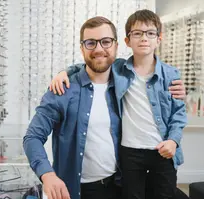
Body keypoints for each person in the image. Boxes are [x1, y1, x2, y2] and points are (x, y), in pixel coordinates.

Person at [49, 10, 187, 199]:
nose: (144, 38)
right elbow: (91, 64)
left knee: (164, 194)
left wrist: (173, 140)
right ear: (127, 41)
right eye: (137, 33)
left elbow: (179, 114)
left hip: (163, 149)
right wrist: (63, 72)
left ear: (159, 39)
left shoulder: (171, 75)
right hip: (129, 152)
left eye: (150, 33)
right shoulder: (119, 69)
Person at [23, 16, 122, 199]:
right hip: (77, 190)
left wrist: (175, 89)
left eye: (106, 42)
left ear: (116, 45)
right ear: (82, 47)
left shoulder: (125, 82)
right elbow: (32, 137)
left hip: (119, 186)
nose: (99, 49)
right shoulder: (62, 90)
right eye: (91, 43)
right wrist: (48, 174)